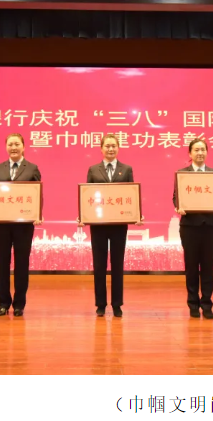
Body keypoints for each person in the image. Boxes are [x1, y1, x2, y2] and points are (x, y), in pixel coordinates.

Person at [173, 138, 213, 319]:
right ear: (190, 153)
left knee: (208, 267)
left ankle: (207, 304)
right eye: (196, 150)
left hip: (210, 226)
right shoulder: (182, 174)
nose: (200, 153)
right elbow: (176, 197)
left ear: (207, 152)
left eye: (203, 149)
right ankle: (193, 304)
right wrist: (178, 206)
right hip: (189, 226)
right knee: (191, 267)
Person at [0, 133, 42, 317]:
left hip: (23, 226)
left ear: (23, 146)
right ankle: (3, 303)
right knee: (2, 263)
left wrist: (37, 214)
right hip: (1, 225)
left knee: (22, 264)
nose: (13, 147)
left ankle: (19, 304)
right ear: (6, 147)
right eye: (10, 144)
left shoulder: (32, 168)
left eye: (17, 144)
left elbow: (38, 194)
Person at [79, 134, 137, 318]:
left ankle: (117, 304)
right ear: (101, 149)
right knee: (99, 265)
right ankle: (101, 304)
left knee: (118, 265)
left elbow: (130, 195)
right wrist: (84, 214)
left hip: (119, 225)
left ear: (118, 148)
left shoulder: (126, 169)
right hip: (99, 224)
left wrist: (135, 213)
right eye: (107, 146)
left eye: (114, 146)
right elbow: (88, 196)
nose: (111, 149)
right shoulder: (93, 170)